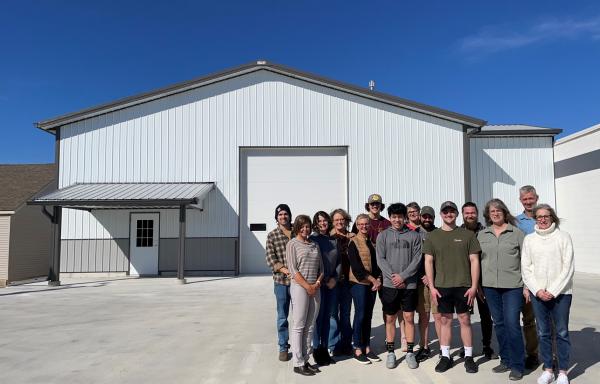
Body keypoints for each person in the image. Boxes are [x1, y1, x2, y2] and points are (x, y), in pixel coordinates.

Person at [424, 201, 481, 374]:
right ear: (441, 215)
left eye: (452, 212)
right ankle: (445, 356)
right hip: (442, 286)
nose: (449, 214)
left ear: (457, 214)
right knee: (445, 321)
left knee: (465, 320)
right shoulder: (433, 236)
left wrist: (474, 286)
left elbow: (474, 261)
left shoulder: (467, 235)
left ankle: (469, 357)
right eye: (445, 212)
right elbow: (428, 261)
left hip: (464, 286)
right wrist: (432, 287)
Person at [521, 204, 574, 384]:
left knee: (561, 332)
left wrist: (552, 291)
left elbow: (568, 268)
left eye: (546, 216)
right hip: (539, 294)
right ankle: (549, 369)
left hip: (562, 294)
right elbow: (526, 268)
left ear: (552, 217)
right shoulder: (529, 240)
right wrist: (537, 290)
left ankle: (563, 372)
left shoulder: (563, 237)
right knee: (543, 332)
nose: (542, 219)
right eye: (539, 216)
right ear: (535, 219)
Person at [478, 199, 526, 381]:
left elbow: (526, 261)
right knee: (498, 323)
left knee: (512, 324)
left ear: (504, 212)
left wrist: (526, 286)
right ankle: (505, 359)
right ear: (488, 215)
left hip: (513, 286)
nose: (496, 213)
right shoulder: (482, 235)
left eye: (498, 210)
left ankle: (517, 364)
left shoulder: (517, 234)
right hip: (490, 286)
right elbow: (477, 262)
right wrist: (479, 285)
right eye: (492, 211)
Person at [376, 203, 422, 369]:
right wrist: (393, 277)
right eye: (394, 217)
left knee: (409, 318)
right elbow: (380, 259)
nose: (397, 219)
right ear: (390, 217)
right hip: (389, 285)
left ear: (405, 217)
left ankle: (409, 352)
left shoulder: (414, 236)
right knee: (390, 318)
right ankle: (390, 352)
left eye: (400, 216)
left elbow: (417, 259)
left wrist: (403, 276)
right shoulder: (383, 236)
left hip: (409, 284)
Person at [287, 215, 324, 376]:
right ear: (297, 227)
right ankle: (298, 362)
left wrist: (316, 283)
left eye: (308, 226)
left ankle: (306, 359)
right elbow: (293, 270)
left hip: (315, 287)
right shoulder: (292, 244)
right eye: (302, 226)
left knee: (310, 326)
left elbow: (321, 268)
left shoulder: (315, 245)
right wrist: (307, 286)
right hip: (300, 287)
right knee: (299, 325)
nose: (305, 229)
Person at [461, 202, 495, 360]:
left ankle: (487, 346)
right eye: (467, 213)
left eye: (472, 212)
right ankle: (465, 347)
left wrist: (480, 283)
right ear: (463, 214)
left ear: (477, 213)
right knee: (464, 316)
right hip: (463, 281)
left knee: (486, 316)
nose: (470, 215)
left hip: (484, 281)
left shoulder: (486, 232)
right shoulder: (457, 232)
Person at [348, 214, 382, 364]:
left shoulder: (372, 242)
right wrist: (373, 279)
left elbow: (376, 264)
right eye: (361, 224)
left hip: (371, 284)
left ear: (370, 225)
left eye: (366, 224)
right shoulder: (353, 242)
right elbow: (357, 268)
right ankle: (357, 348)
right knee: (360, 315)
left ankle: (367, 346)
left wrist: (378, 279)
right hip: (359, 283)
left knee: (368, 315)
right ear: (356, 224)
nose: (364, 226)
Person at [516, 185, 541, 369]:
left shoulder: (545, 217)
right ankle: (532, 354)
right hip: (526, 278)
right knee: (529, 320)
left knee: (549, 321)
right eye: (525, 199)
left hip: (546, 276)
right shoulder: (516, 222)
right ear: (521, 201)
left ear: (536, 198)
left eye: (530, 198)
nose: (528, 202)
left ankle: (552, 355)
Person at [310, 211, 339, 366]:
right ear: (316, 223)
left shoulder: (334, 240)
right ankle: (316, 348)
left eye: (325, 220)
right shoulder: (312, 239)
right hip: (319, 284)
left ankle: (325, 347)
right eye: (319, 221)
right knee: (317, 318)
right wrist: (318, 280)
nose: (323, 223)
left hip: (332, 284)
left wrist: (335, 278)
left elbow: (339, 262)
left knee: (328, 317)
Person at [265, 204, 293, 361]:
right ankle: (283, 347)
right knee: (282, 316)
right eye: (280, 214)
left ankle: (300, 346)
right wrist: (285, 270)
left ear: (290, 215)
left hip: (298, 283)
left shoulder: (298, 232)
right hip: (281, 282)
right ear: (276, 217)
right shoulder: (272, 235)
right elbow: (270, 258)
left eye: (286, 214)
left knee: (301, 317)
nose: (283, 216)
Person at [414, 206, 440, 362]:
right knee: (424, 315)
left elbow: (443, 257)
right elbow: (412, 258)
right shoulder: (414, 234)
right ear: (420, 217)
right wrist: (422, 275)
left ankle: (444, 349)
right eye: (424, 216)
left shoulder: (439, 233)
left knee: (438, 316)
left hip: (437, 281)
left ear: (434, 218)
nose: (427, 219)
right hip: (421, 281)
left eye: (430, 217)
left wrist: (432, 276)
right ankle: (424, 346)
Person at [330, 208, 355, 356]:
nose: (340, 222)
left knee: (345, 314)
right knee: (333, 315)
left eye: (342, 219)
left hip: (347, 281)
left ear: (346, 221)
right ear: (332, 222)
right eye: (336, 220)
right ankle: (333, 344)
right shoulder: (329, 237)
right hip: (333, 282)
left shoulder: (352, 237)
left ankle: (346, 343)